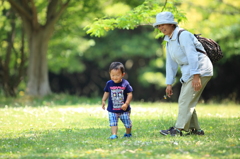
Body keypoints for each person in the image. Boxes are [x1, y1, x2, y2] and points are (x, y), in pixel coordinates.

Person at [153, 12, 213, 136]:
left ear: (171, 24)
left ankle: (178, 129)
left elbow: (192, 56)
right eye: (158, 26)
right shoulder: (168, 40)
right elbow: (171, 64)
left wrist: (196, 76)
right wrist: (169, 83)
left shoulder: (183, 35)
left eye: (163, 24)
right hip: (189, 72)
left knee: (185, 100)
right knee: (187, 100)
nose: (161, 28)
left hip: (200, 69)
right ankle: (196, 130)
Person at [102, 62, 133, 139]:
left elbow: (130, 94)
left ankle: (128, 133)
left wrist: (126, 104)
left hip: (124, 109)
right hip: (112, 109)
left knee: (127, 122)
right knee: (113, 123)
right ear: (109, 74)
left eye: (117, 75)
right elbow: (106, 92)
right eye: (112, 75)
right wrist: (103, 100)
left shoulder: (125, 83)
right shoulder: (109, 83)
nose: (115, 77)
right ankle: (114, 134)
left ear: (123, 74)